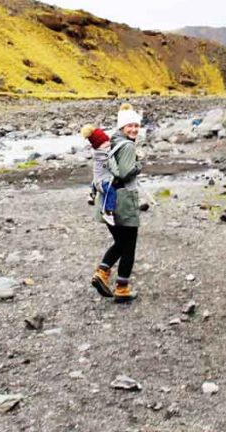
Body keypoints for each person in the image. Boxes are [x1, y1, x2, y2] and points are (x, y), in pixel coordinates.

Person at [91, 104, 143, 303]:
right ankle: (119, 287)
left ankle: (104, 274)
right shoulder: (128, 145)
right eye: (130, 126)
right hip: (123, 200)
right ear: (122, 127)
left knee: (121, 242)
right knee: (128, 245)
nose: (133, 129)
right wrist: (139, 164)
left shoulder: (110, 142)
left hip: (106, 200)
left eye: (136, 126)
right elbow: (124, 172)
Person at [80, 125, 116, 226]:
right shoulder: (104, 155)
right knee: (110, 192)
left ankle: (91, 193)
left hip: (97, 180)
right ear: (98, 145)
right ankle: (108, 211)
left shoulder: (97, 153)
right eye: (105, 143)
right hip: (103, 182)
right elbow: (112, 165)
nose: (108, 144)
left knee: (96, 177)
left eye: (108, 141)